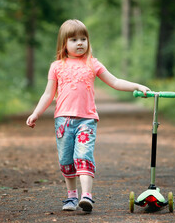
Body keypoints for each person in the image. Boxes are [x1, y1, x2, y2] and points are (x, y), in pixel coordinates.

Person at [26, 19, 150, 212]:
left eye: (83, 38)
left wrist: (137, 86)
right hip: (63, 121)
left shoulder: (92, 64)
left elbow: (115, 81)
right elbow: (48, 94)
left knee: (83, 156)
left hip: (87, 119)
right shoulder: (57, 66)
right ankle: (71, 197)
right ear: (64, 44)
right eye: (74, 39)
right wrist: (35, 113)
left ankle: (87, 196)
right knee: (66, 160)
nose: (80, 43)